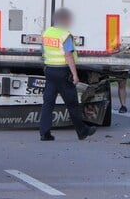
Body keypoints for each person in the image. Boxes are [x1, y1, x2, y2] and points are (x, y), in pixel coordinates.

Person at [39, 8, 96, 141]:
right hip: (63, 71)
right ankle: (82, 131)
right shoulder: (64, 35)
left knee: (48, 102)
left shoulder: (47, 32)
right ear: (64, 20)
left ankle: (44, 132)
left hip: (50, 70)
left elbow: (43, 51)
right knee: (72, 103)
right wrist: (75, 75)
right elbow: (68, 55)